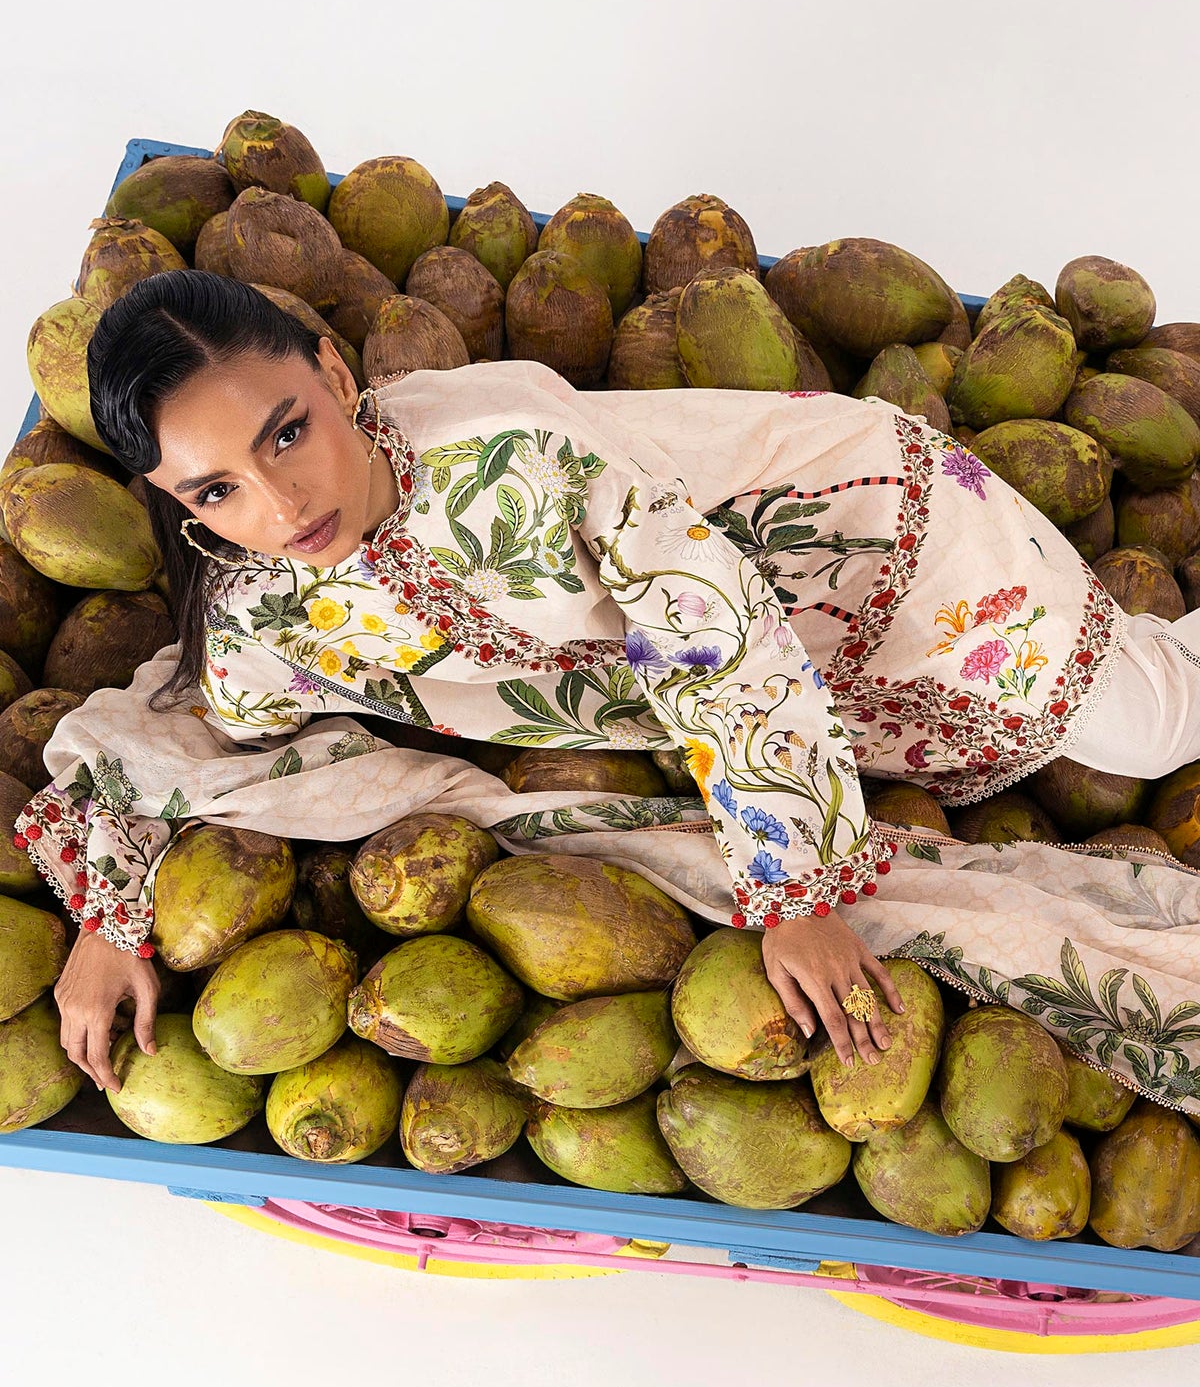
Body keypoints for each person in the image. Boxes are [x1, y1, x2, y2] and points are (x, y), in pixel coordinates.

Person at [18, 272, 1200, 1102]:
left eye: (286, 433)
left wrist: (794, 896)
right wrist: (112, 918)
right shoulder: (260, 603)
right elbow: (178, 725)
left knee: (1149, 730)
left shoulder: (515, 455)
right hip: (773, 685)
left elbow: (716, 636)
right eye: (215, 490)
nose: (281, 506)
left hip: (872, 536)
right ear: (174, 503)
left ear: (333, 371)